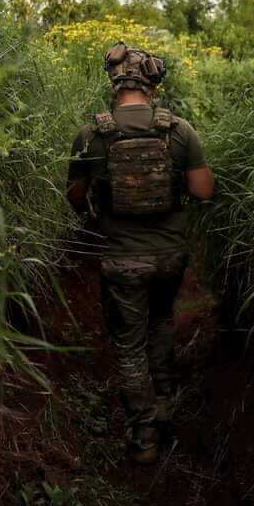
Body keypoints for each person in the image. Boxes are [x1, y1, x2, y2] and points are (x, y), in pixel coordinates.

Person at [65, 41, 215, 465]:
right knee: (163, 320)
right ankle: (165, 404)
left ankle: (144, 434)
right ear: (150, 84)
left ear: (114, 83)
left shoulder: (92, 134)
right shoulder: (179, 130)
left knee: (129, 346)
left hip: (121, 259)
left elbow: (75, 199)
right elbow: (203, 191)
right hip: (170, 257)